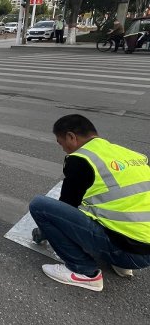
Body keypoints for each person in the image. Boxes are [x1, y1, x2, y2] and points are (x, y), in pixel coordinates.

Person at [29, 114, 150, 292]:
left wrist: (41, 233)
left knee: (39, 206)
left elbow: (66, 206)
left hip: (127, 249)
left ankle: (84, 271)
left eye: (61, 143)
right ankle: (120, 263)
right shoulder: (129, 154)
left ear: (71, 136)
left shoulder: (81, 159)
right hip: (145, 252)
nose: (64, 149)